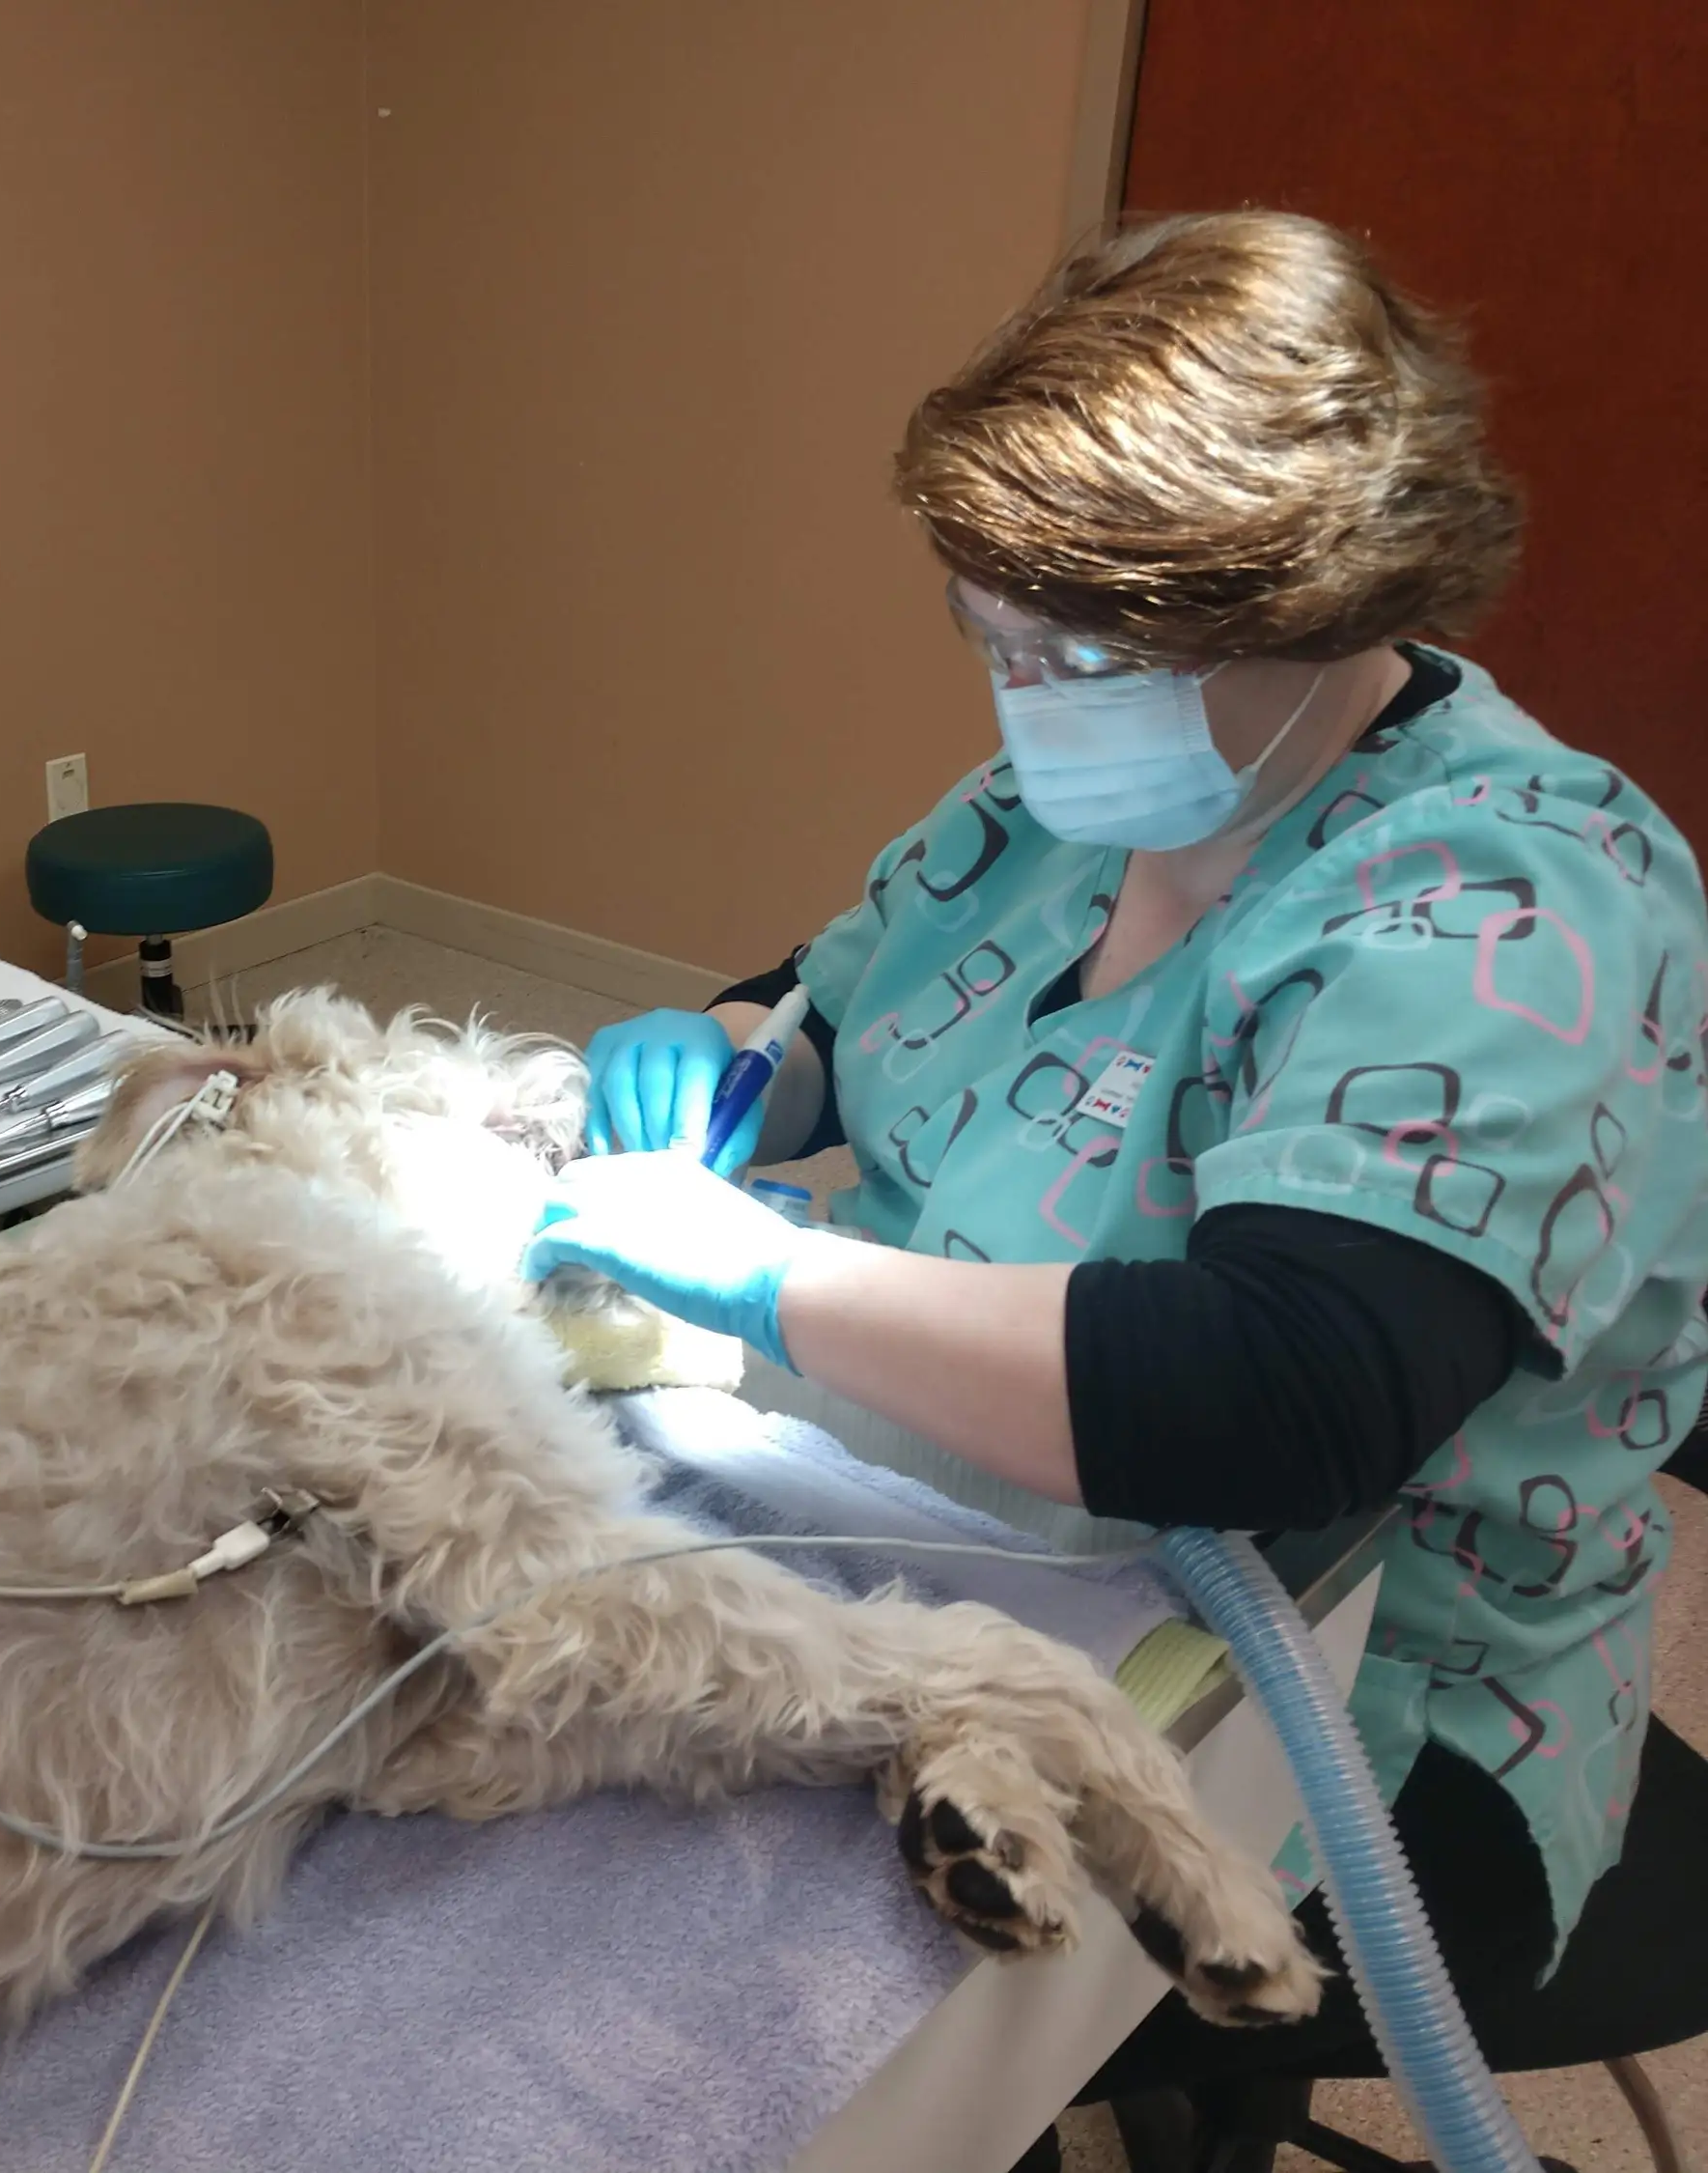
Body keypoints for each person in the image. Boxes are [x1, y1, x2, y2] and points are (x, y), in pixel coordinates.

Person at [522, 212, 1708, 2104]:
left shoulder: (1506, 903)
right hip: (969, 1540)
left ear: (1318, 602)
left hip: (1358, 1702)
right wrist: (741, 1069)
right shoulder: (1058, 802)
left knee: (668, 1982)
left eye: (1079, 650)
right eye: (994, 641)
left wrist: (765, 1275)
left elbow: (1281, 1395)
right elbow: (866, 1004)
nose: (1031, 701)